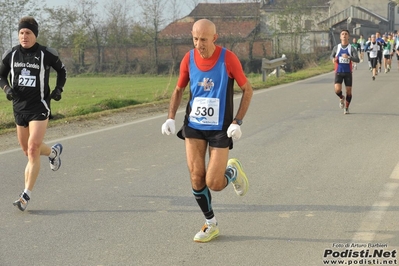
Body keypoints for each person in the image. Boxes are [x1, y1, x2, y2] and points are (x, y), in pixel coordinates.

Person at [161, 19, 253, 243]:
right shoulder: (188, 58)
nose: (198, 44)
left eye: (203, 39)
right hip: (194, 126)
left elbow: (247, 89)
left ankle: (232, 172)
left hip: (220, 129)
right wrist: (170, 118)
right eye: (194, 39)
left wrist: (237, 121)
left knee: (214, 183)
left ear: (214, 38)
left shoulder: (227, 59)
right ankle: (210, 223)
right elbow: (179, 88)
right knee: (196, 176)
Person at [0, 16, 67, 211]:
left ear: (35, 35)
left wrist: (58, 89)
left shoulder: (46, 54)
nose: (24, 36)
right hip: (19, 108)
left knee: (32, 148)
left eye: (28, 32)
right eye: (21, 32)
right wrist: (6, 89)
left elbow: (62, 71)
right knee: (28, 151)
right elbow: (1, 75)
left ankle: (25, 195)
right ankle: (53, 152)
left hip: (40, 106)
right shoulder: (11, 55)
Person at [330, 29, 360, 114]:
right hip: (339, 71)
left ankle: (346, 107)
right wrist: (333, 59)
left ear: (348, 37)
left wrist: (349, 57)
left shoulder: (352, 48)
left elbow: (357, 59)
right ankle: (341, 97)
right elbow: (331, 56)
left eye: (346, 34)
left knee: (349, 91)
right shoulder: (336, 47)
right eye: (342, 34)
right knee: (337, 90)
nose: (344, 35)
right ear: (340, 37)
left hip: (348, 73)